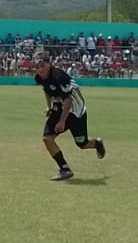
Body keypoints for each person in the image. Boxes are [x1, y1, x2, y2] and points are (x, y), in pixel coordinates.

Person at [33, 50, 105, 181]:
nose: (40, 70)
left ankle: (97, 143)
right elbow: (47, 90)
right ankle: (65, 169)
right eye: (37, 67)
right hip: (60, 106)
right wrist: (49, 106)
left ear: (50, 64)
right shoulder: (39, 77)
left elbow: (69, 100)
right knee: (47, 138)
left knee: (82, 144)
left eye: (43, 66)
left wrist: (61, 122)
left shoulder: (58, 77)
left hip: (75, 110)